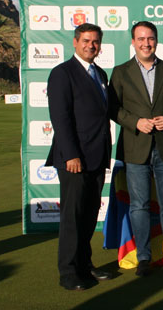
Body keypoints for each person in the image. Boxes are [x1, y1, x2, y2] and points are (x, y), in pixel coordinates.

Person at [109, 21, 163, 276]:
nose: (146, 43)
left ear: (157, 40)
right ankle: (144, 258)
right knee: (139, 206)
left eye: (150, 38)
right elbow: (113, 108)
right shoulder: (120, 72)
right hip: (135, 147)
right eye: (141, 39)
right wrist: (135, 122)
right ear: (133, 42)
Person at [46, 23, 112, 290]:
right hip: (74, 159)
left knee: (88, 215)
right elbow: (60, 118)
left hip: (96, 157)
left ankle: (85, 264)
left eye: (95, 41)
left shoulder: (100, 73)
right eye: (86, 41)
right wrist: (71, 154)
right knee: (73, 217)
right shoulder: (62, 73)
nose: (91, 46)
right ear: (75, 42)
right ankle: (69, 273)